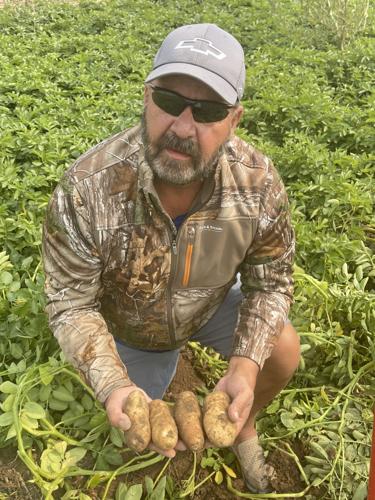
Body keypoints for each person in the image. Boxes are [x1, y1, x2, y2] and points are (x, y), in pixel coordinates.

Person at [42, 23, 300, 493]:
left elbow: (271, 283)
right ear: (146, 97)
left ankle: (243, 423)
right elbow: (69, 303)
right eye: (168, 102)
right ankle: (143, 378)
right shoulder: (86, 189)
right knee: (134, 433)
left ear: (234, 120)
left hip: (209, 303)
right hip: (132, 325)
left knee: (281, 350)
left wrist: (244, 365)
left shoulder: (258, 186)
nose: (182, 127)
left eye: (207, 111)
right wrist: (113, 384)